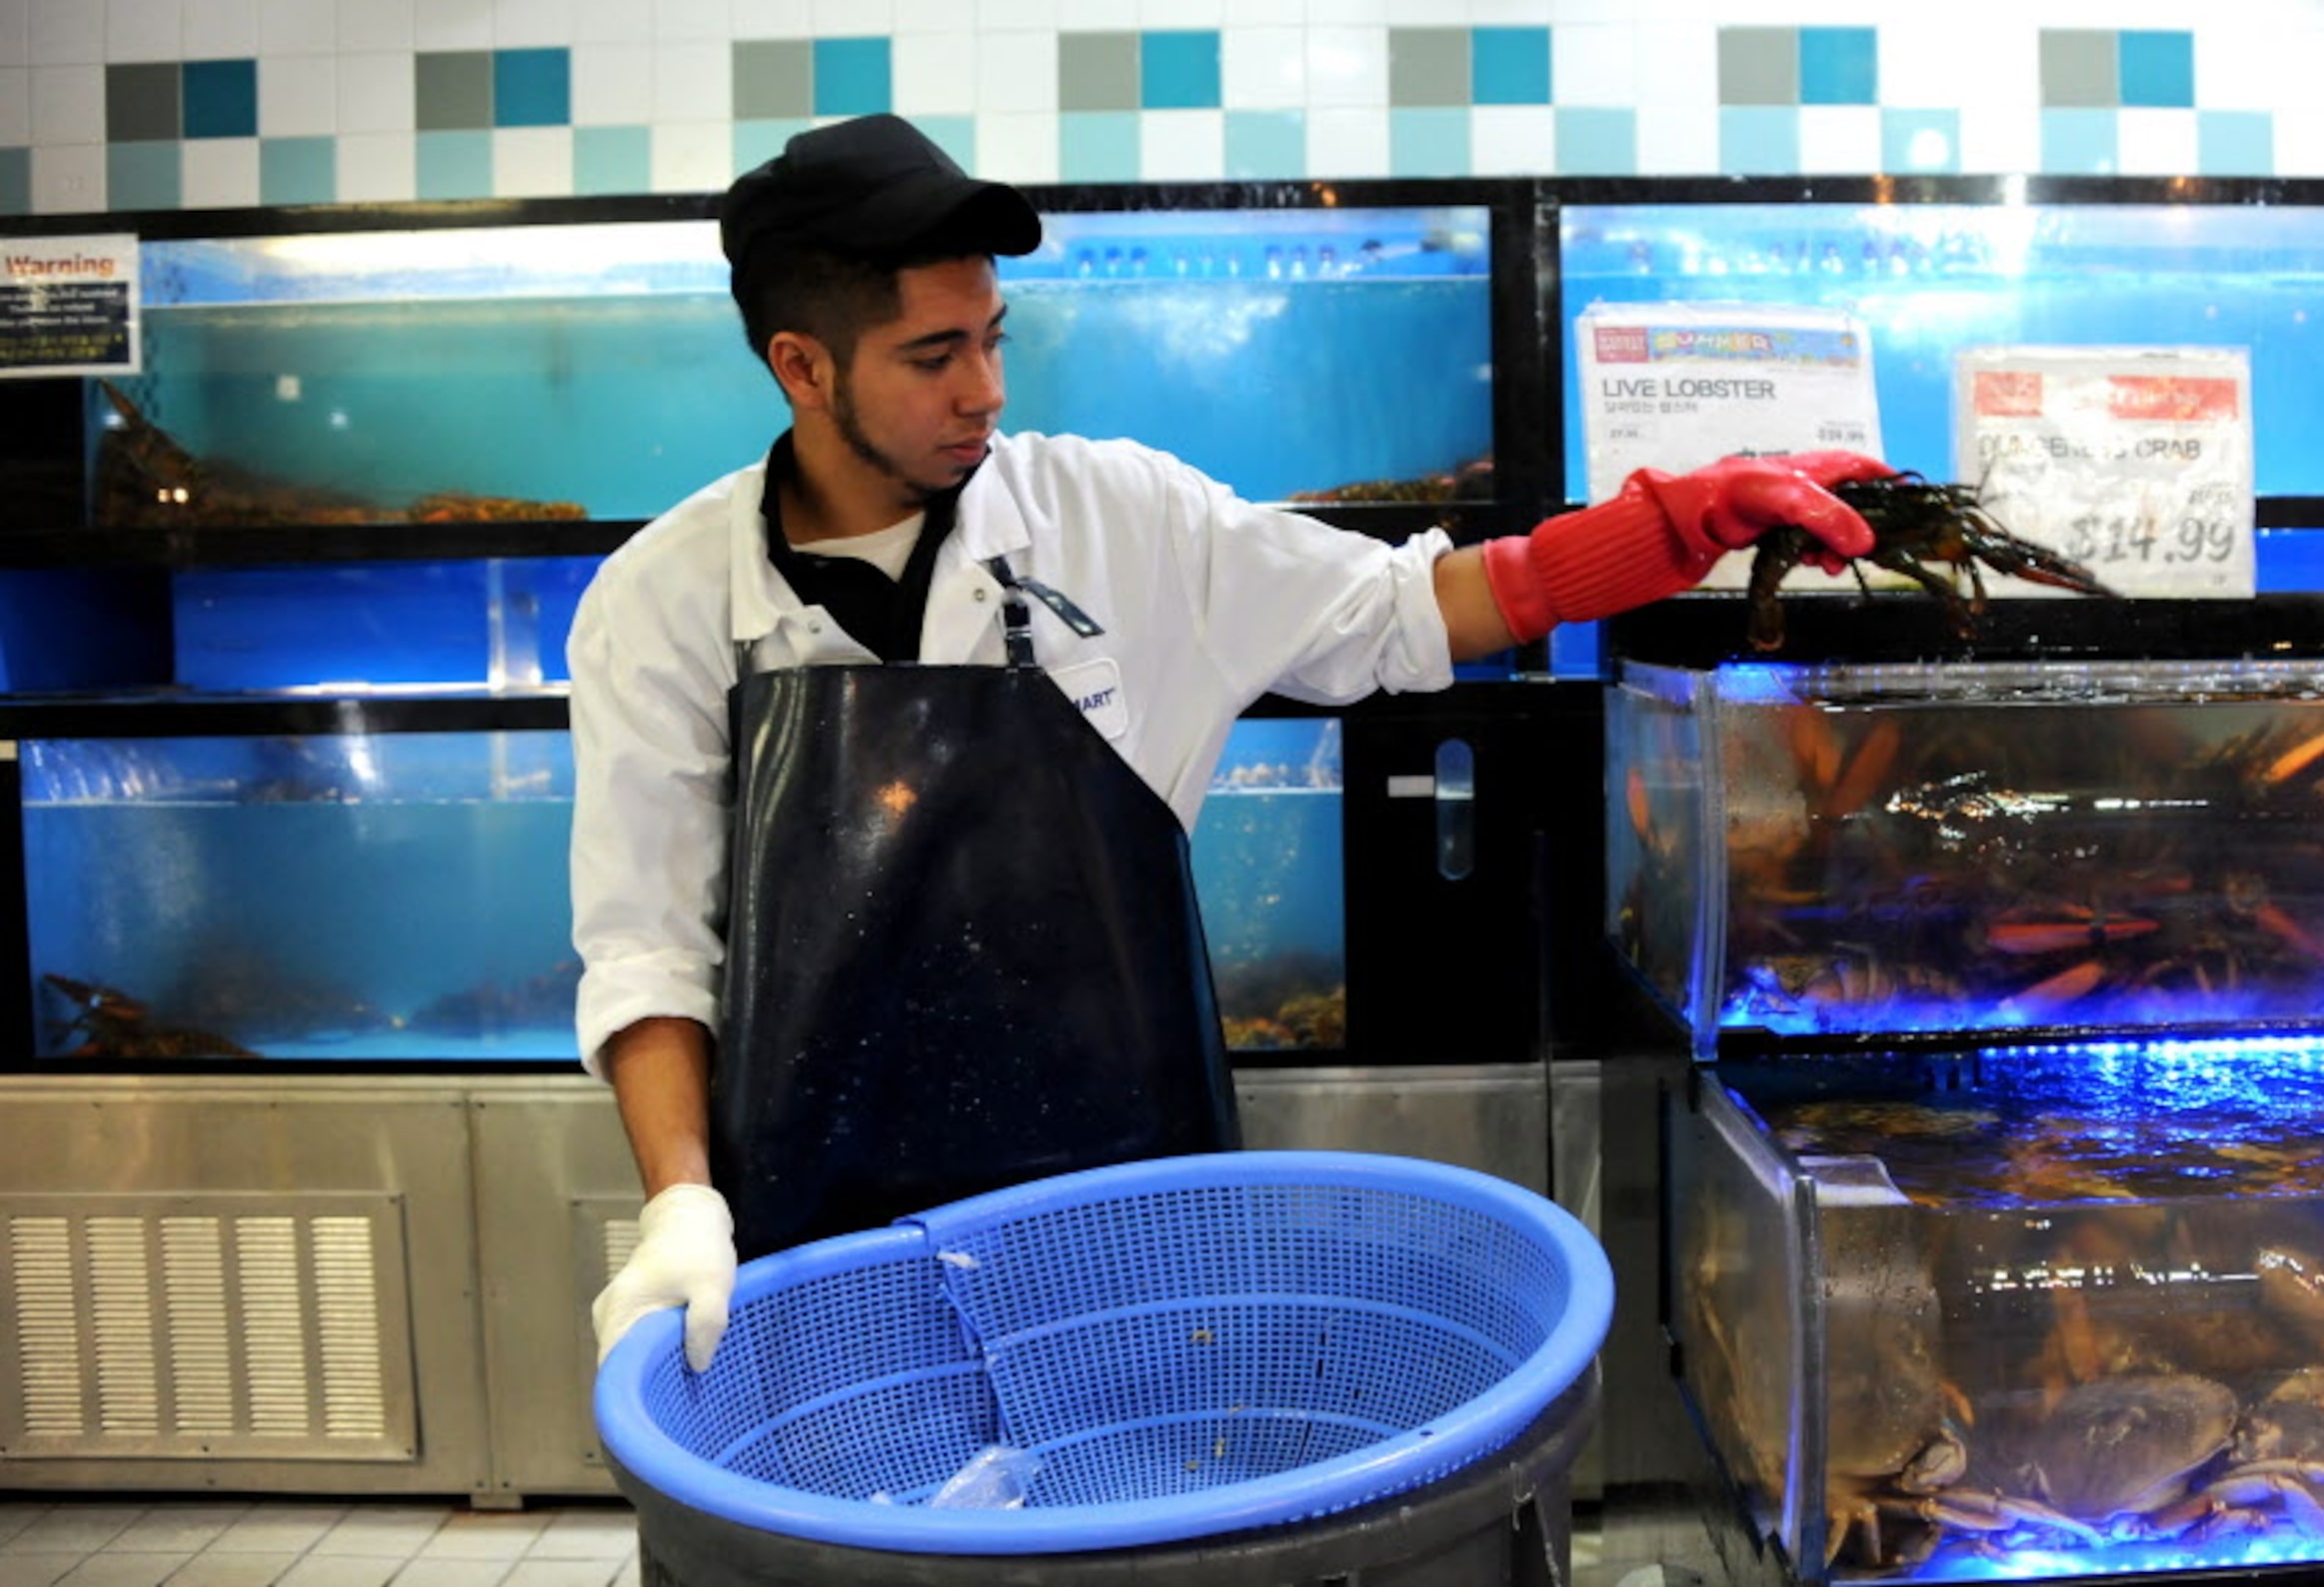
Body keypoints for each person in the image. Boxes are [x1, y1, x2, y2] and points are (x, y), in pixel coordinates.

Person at [576, 113, 1883, 1371]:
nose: (987, 389)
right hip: (814, 1228)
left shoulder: (1113, 516)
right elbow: (647, 947)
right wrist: (681, 1201)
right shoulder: (664, 601)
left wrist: (1677, 522)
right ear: (804, 365)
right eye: (934, 356)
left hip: (1122, 1209)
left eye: (993, 338)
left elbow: (1401, 607)